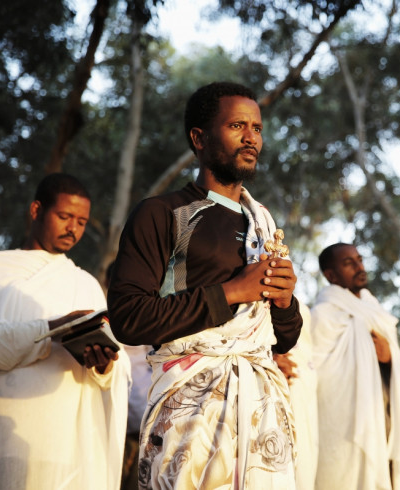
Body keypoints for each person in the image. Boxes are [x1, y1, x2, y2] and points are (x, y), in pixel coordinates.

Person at [107, 81, 303, 489]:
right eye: (237, 126)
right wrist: (232, 292)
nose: (252, 137)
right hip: (188, 414)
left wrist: (285, 302)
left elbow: (282, 341)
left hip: (260, 414)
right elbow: (128, 318)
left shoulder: (263, 226)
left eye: (258, 128)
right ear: (199, 138)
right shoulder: (163, 213)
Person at [0, 173, 131, 489]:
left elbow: (114, 371)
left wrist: (103, 365)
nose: (73, 228)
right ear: (36, 210)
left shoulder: (86, 284)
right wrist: (52, 330)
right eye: (64, 216)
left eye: (81, 221)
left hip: (67, 451)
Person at [311, 243, 400, 490]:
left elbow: (397, 366)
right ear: (330, 275)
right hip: (341, 427)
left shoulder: (375, 311)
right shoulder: (322, 315)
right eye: (349, 263)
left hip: (383, 417)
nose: (359, 267)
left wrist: (388, 357)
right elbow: (313, 372)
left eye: (360, 259)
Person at [272, 302, 318, 490]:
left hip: (301, 400)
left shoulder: (302, 310)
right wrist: (268, 361)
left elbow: (307, 360)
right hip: (263, 397)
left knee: (302, 471)